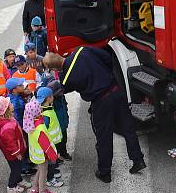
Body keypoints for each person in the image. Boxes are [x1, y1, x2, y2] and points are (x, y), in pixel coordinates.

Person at [42, 47, 146, 184]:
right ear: (58, 54)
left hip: (101, 102)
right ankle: (138, 159)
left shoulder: (66, 79)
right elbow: (108, 58)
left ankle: (105, 172)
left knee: (104, 137)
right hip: (116, 90)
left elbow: (63, 89)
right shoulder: (81, 50)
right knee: (128, 128)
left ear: (55, 70)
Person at [23, 95, 57, 193]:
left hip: (36, 154)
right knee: (43, 171)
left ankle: (34, 188)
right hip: (42, 155)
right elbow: (46, 145)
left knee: (39, 169)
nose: (41, 108)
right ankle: (42, 191)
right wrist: (54, 156)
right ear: (37, 112)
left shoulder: (30, 124)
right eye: (39, 108)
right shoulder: (40, 127)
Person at [0, 96, 28, 193]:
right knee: (16, 169)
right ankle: (11, 185)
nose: (12, 104)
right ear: (7, 109)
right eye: (10, 104)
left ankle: (19, 180)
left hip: (15, 149)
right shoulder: (7, 126)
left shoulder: (8, 119)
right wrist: (17, 153)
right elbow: (10, 143)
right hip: (13, 153)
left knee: (17, 167)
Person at [50, 80, 72, 161]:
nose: (61, 93)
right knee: (57, 142)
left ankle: (64, 153)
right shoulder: (52, 101)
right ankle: (57, 155)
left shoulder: (62, 97)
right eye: (59, 92)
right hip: (56, 126)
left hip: (63, 122)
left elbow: (65, 107)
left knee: (64, 139)